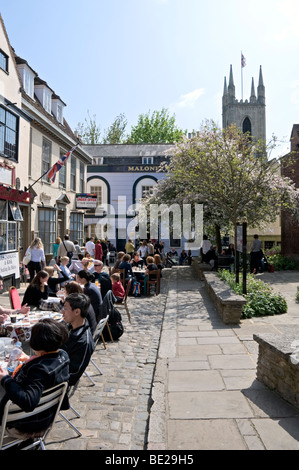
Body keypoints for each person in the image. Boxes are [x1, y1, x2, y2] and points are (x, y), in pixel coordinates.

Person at [0, 318, 70, 435]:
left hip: (25, 425)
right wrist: (30, 359)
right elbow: (48, 367)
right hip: (46, 415)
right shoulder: (63, 355)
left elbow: (28, 402)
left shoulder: (39, 370)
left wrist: (4, 378)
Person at [61, 293, 95, 387]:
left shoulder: (83, 343)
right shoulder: (71, 326)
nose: (62, 312)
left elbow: (72, 376)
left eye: (65, 308)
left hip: (55, 384)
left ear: (77, 312)